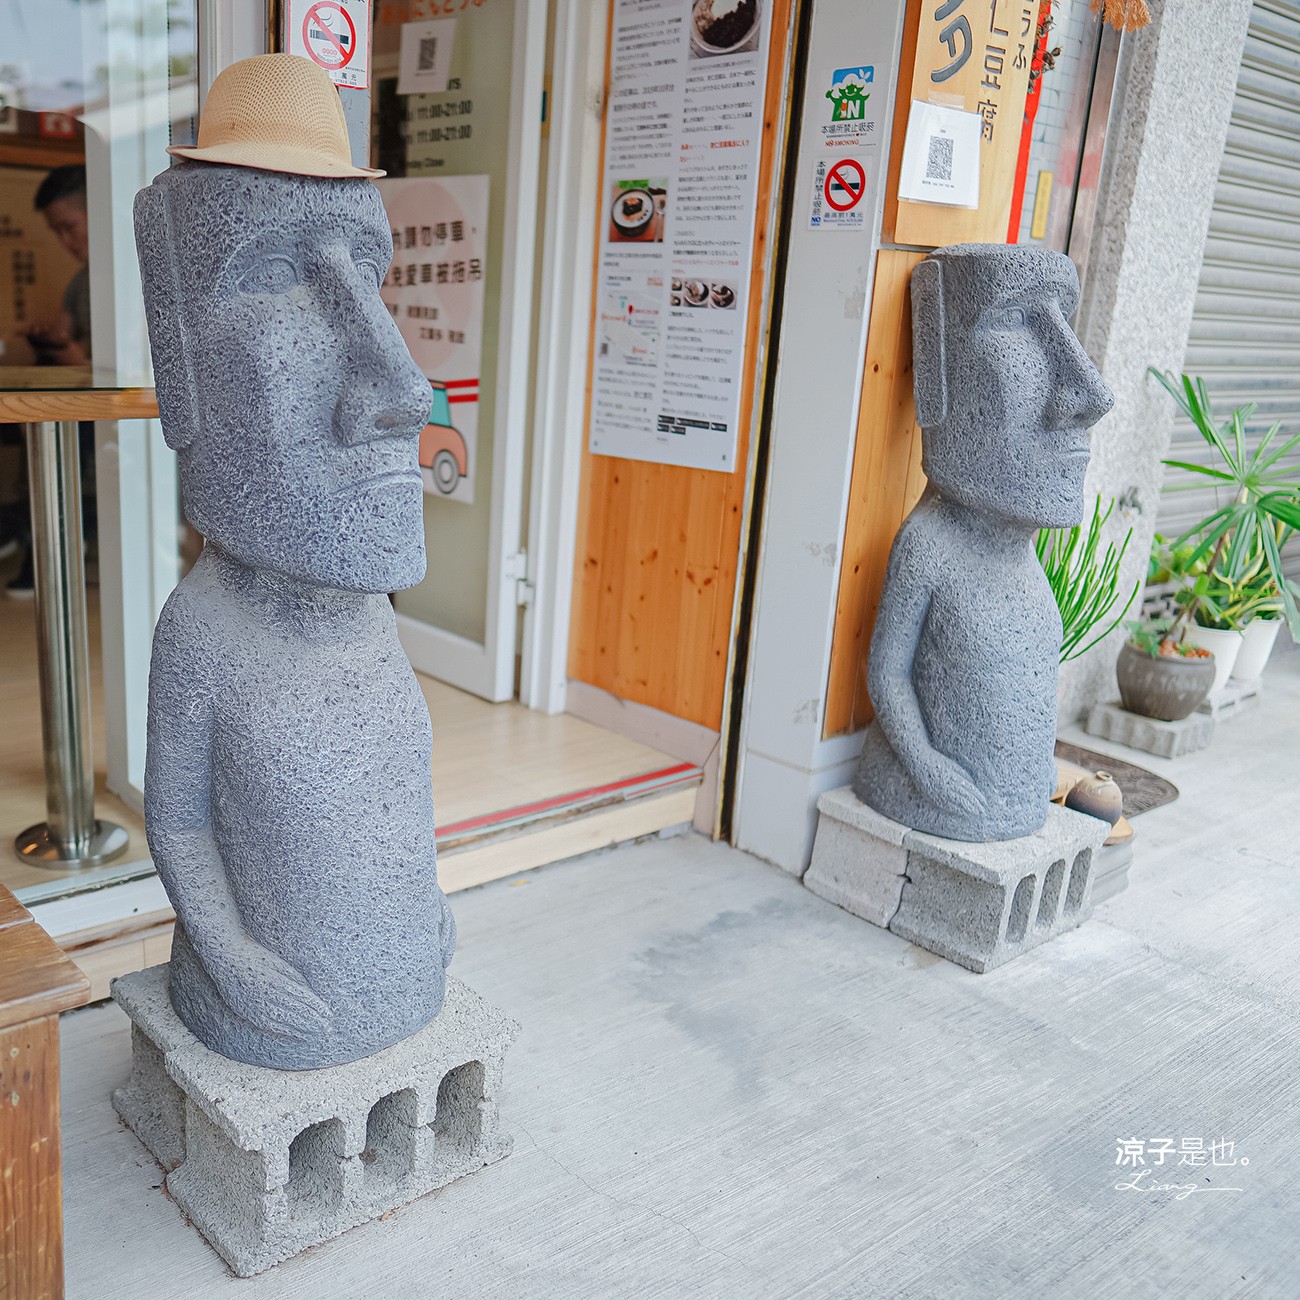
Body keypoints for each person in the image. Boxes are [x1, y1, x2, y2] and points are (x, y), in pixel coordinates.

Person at [1, 164, 94, 596]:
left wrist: (72, 353)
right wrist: (53, 340)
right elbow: (68, 337)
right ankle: (28, 530)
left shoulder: (138, 270)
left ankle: (26, 527)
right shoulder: (80, 282)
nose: (66, 242)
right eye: (57, 232)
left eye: (69, 227)